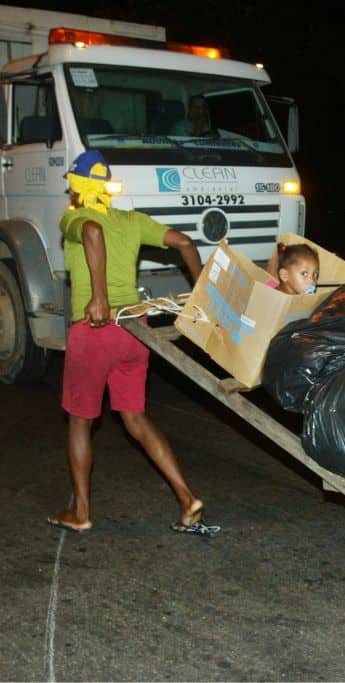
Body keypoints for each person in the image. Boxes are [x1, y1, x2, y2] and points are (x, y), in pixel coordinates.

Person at [48, 150, 215, 536]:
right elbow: (185, 242)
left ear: (77, 187)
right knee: (135, 418)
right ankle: (187, 498)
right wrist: (204, 295)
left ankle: (81, 512)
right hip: (134, 331)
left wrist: (99, 296)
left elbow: (92, 232)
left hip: (95, 331)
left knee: (79, 422)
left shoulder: (73, 217)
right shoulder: (132, 220)